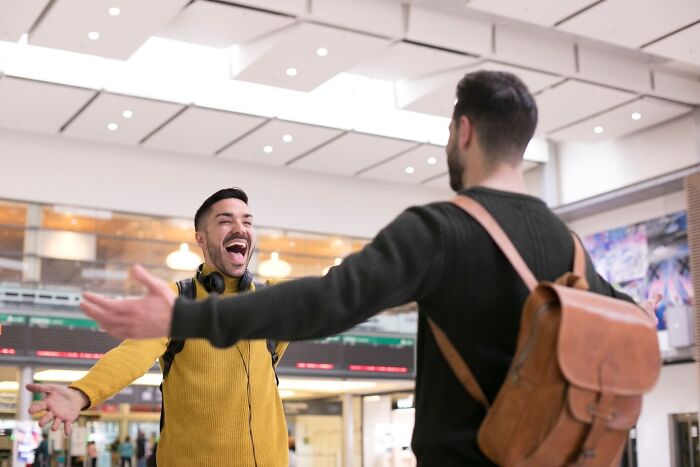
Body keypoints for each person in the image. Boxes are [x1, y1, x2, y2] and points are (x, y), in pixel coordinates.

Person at [80, 71, 659, 466]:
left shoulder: (440, 229)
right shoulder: (571, 247)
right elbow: (634, 325)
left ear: (463, 133)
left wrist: (187, 315)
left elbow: (327, 299)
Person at [27, 188, 289, 466]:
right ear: (201, 238)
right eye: (226, 221)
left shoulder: (272, 301)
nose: (240, 228)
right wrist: (82, 393)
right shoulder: (177, 301)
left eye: (247, 222)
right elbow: (133, 354)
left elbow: (328, 299)